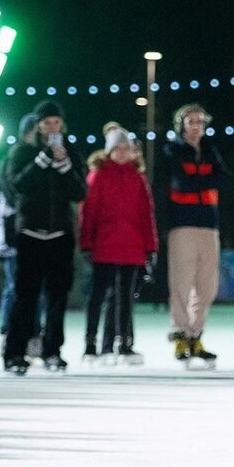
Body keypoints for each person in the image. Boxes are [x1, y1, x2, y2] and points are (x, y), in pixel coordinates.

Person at [2, 100, 88, 374]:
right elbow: (18, 186)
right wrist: (42, 161)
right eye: (47, 122)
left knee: (57, 298)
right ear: (38, 125)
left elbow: (79, 192)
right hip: (29, 234)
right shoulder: (22, 152)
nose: (52, 127)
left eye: (57, 123)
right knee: (24, 297)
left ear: (63, 126)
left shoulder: (71, 152)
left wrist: (63, 164)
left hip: (60, 235)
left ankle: (53, 351)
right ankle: (15, 353)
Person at [79, 128, 157, 366]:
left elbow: (147, 214)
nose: (122, 153)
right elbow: (89, 212)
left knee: (125, 299)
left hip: (132, 248)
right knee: (98, 297)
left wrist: (150, 246)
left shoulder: (137, 178)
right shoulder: (98, 176)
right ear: (109, 150)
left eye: (125, 148)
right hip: (105, 246)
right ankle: (91, 346)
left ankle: (124, 344)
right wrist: (86, 242)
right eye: (117, 148)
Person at [163, 103, 227, 368]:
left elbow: (224, 180)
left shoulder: (211, 151)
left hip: (209, 225)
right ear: (181, 125)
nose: (197, 127)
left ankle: (195, 335)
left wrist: (203, 179)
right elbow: (179, 182)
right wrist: (205, 179)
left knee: (207, 285)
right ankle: (181, 334)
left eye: (200, 122)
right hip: (183, 224)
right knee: (181, 282)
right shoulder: (173, 150)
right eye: (191, 122)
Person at [0, 113, 40, 348]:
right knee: (15, 286)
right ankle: (8, 332)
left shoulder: (45, 157)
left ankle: (33, 334)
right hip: (13, 234)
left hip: (37, 233)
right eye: (37, 130)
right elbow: (14, 195)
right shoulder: (11, 158)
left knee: (37, 288)